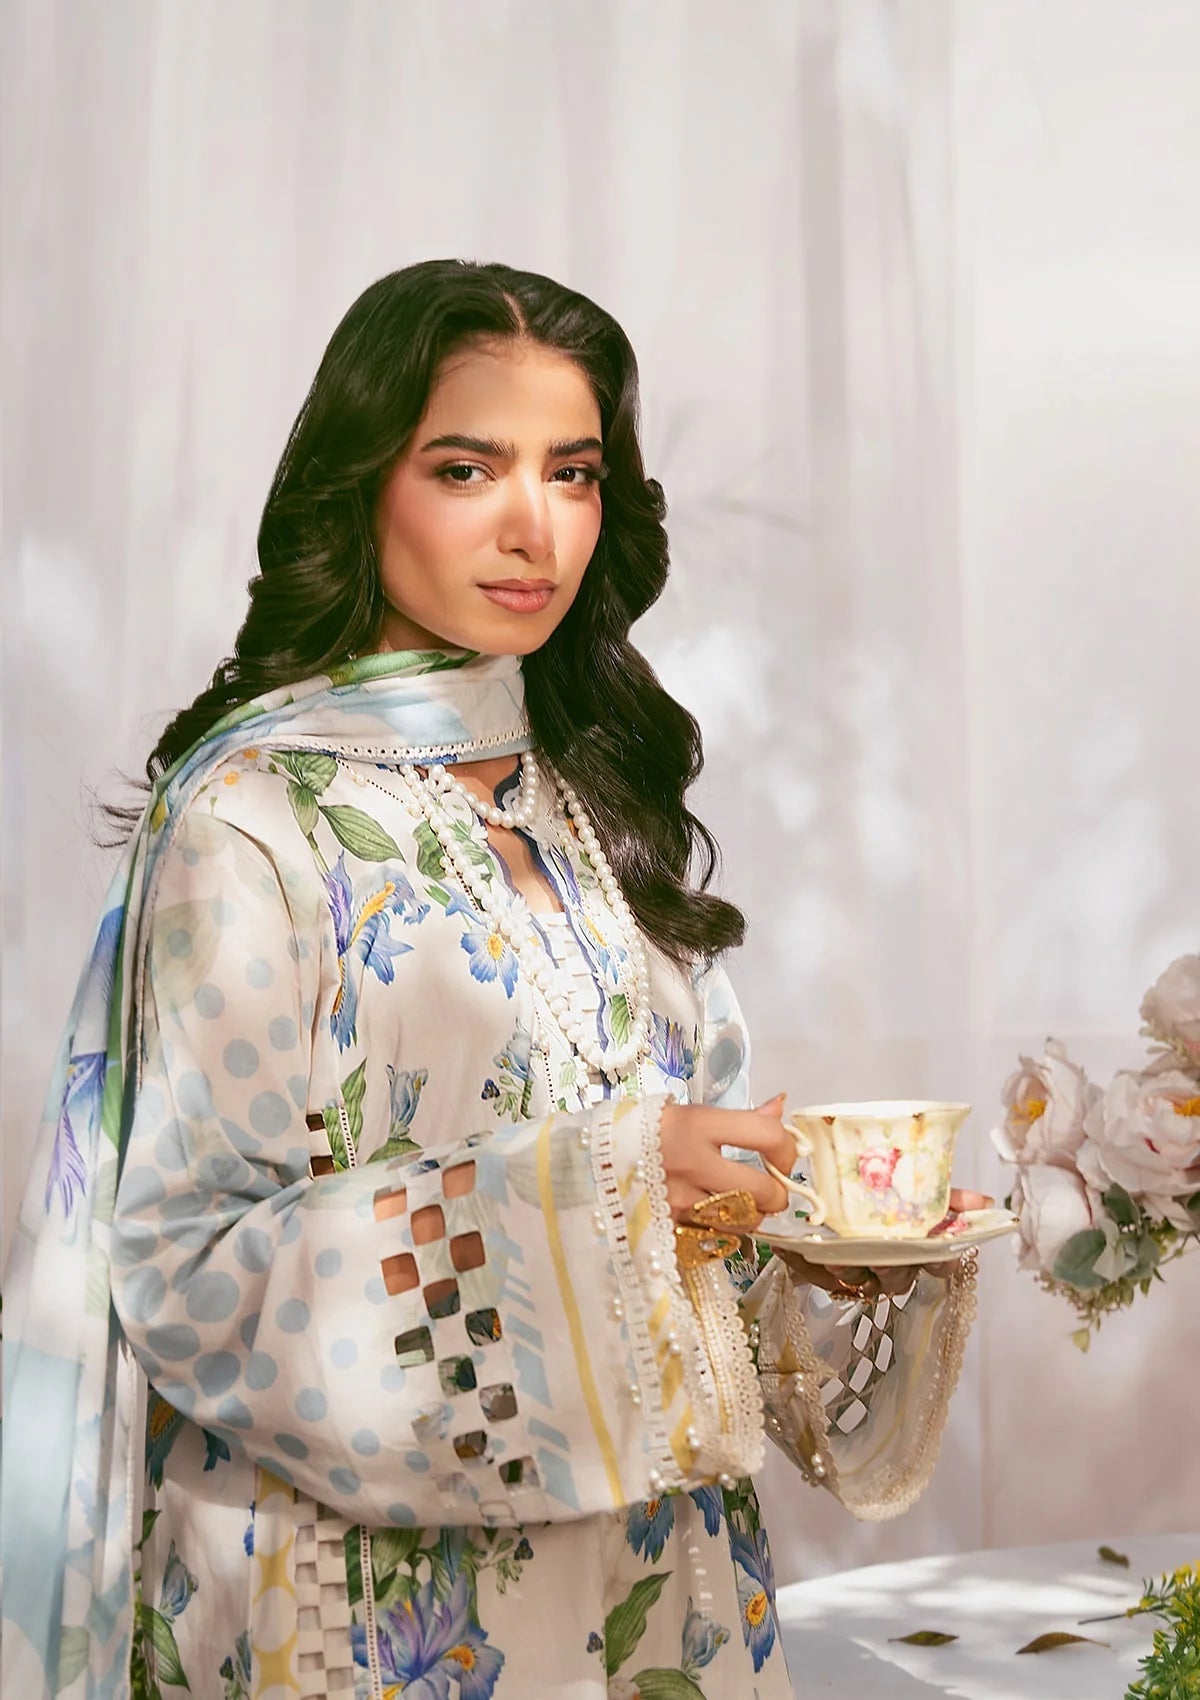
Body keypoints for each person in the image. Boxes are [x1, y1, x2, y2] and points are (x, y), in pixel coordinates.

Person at [2, 260, 982, 1700]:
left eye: (573, 473)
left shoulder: (590, 805)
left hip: (655, 1590)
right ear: (362, 488)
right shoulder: (254, 822)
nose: (536, 527)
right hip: (372, 1615)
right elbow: (192, 1273)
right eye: (468, 469)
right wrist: (614, 1185)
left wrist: (802, 1238)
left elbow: (676, 1281)